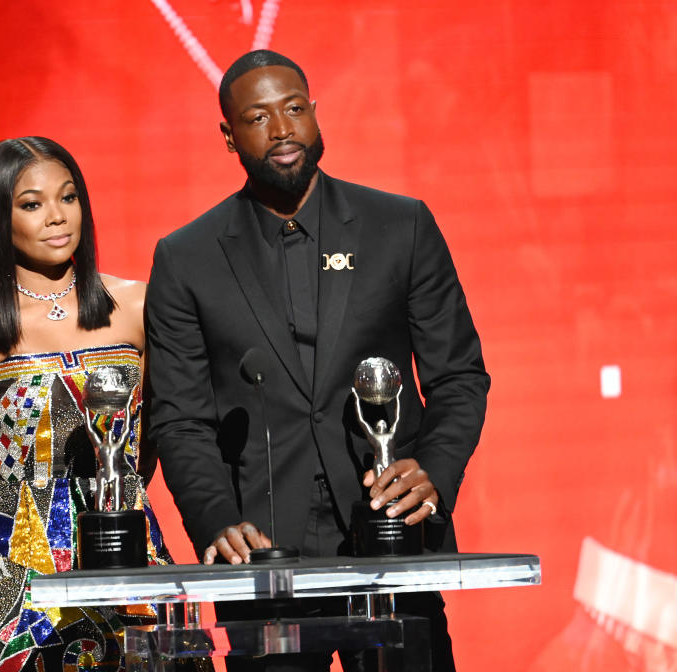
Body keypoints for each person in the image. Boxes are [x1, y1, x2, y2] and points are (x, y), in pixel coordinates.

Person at [145, 51, 490, 671]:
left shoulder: (400, 226)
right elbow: (179, 419)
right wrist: (217, 521)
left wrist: (432, 473)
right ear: (228, 136)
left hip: (391, 544)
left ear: (314, 113)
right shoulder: (185, 258)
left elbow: (459, 376)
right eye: (258, 117)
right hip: (264, 563)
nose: (282, 130)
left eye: (294, 109)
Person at [0, 136, 171, 672]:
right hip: (11, 577)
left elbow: (153, 437)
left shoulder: (136, 305)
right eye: (32, 205)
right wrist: (18, 547)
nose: (57, 218)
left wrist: (115, 507)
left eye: (69, 197)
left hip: (126, 552)